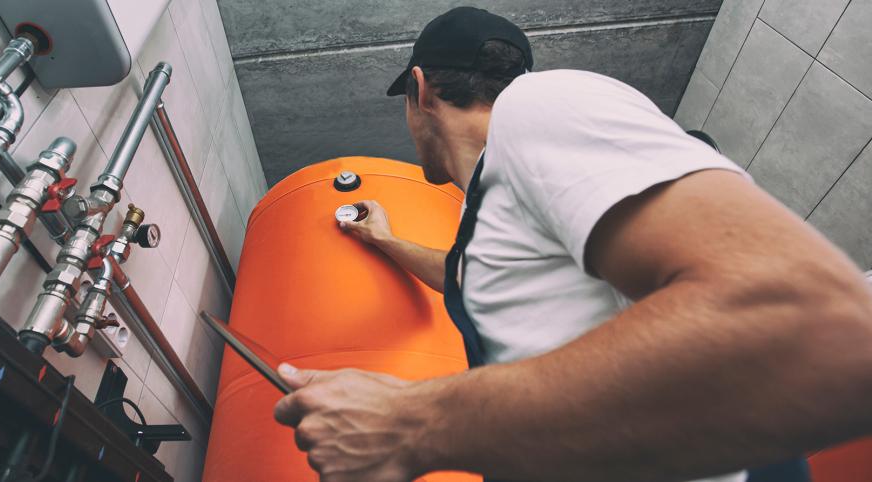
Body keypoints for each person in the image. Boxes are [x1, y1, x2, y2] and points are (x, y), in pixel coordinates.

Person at [271, 6, 872, 482]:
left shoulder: (537, 105)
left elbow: (812, 327)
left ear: (421, 90)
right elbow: (460, 275)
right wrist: (385, 239)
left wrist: (410, 424)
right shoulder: (498, 203)